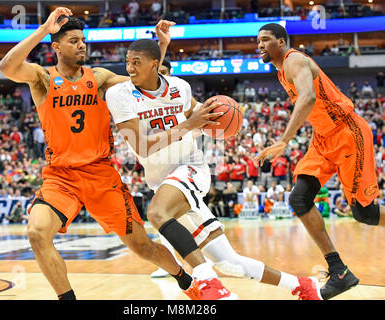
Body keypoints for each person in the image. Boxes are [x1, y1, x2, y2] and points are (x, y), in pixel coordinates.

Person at [0, 8, 199, 300]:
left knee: (143, 248)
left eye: (83, 40)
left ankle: (185, 280)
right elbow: (7, 66)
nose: (82, 45)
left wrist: (162, 46)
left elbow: (143, 81)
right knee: (37, 233)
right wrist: (44, 28)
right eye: (73, 41)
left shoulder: (101, 77)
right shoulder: (42, 78)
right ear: (56, 47)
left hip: (101, 174)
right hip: (61, 177)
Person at [107, 51, 322, 300]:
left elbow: (211, 120)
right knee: (230, 263)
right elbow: (143, 146)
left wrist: (220, 123)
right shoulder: (123, 95)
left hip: (189, 169)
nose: (131, 68)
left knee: (156, 213)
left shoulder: (179, 90)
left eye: (137, 63)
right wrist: (188, 124)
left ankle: (208, 281)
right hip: (164, 182)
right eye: (129, 63)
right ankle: (301, 285)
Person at [255, 23, 385, 300]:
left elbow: (308, 97)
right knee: (299, 199)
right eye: (258, 41)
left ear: (281, 42)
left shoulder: (295, 60)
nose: (260, 45)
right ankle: (339, 272)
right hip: (323, 139)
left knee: (364, 214)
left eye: (266, 40)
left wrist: (285, 140)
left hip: (348, 132)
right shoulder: (280, 71)